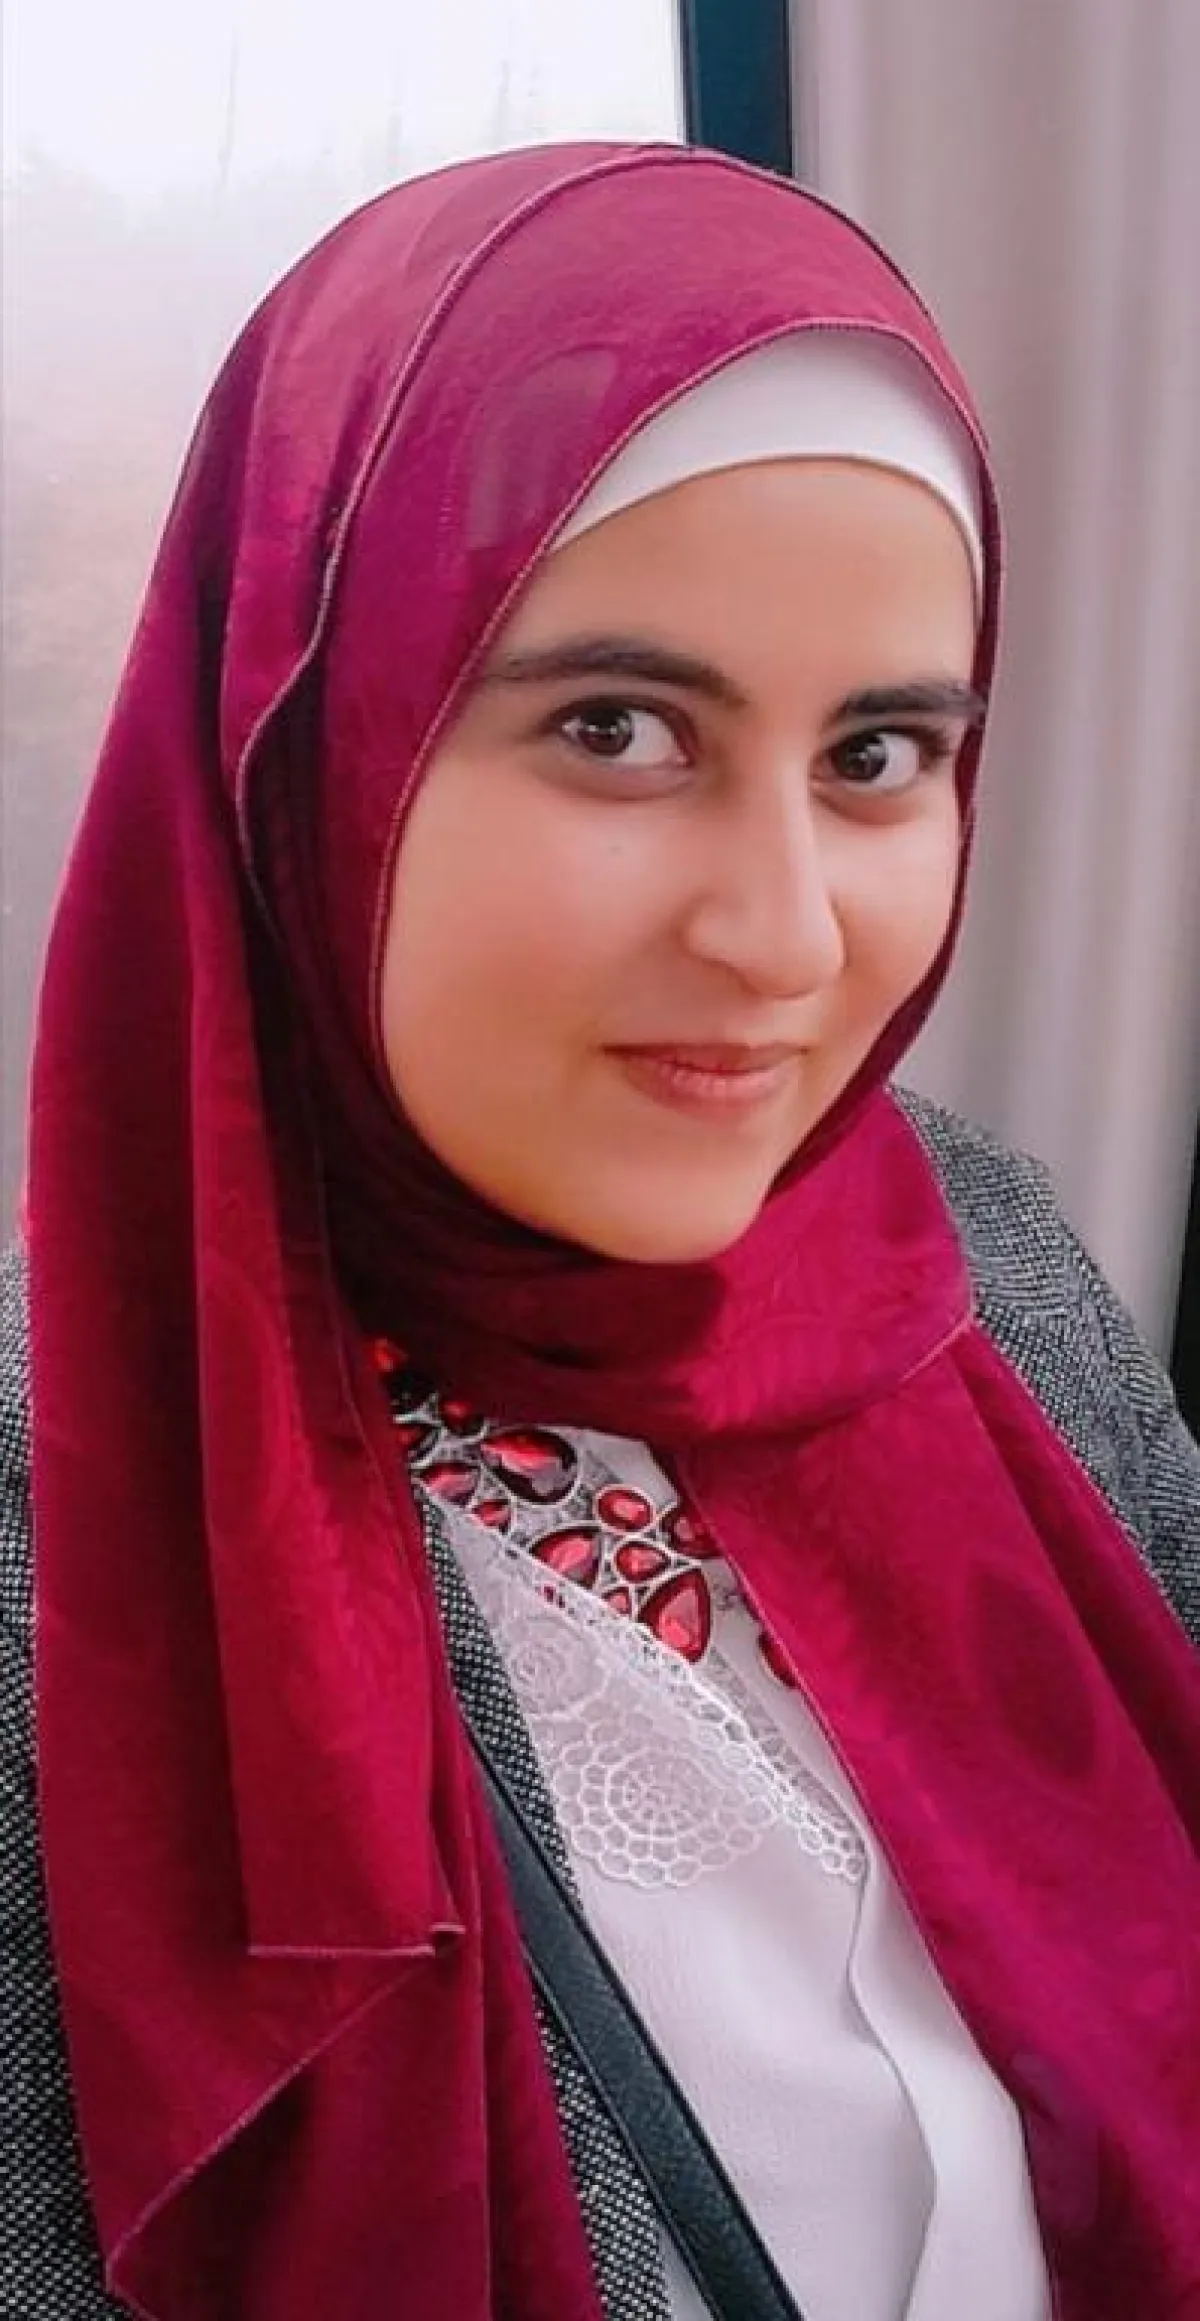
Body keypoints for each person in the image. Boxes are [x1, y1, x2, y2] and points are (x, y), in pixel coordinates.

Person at [1, 139, 1197, 2321]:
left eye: (877, 754)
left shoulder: (982, 1266)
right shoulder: (60, 1517)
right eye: (619, 729)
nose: (786, 937)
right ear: (309, 740)